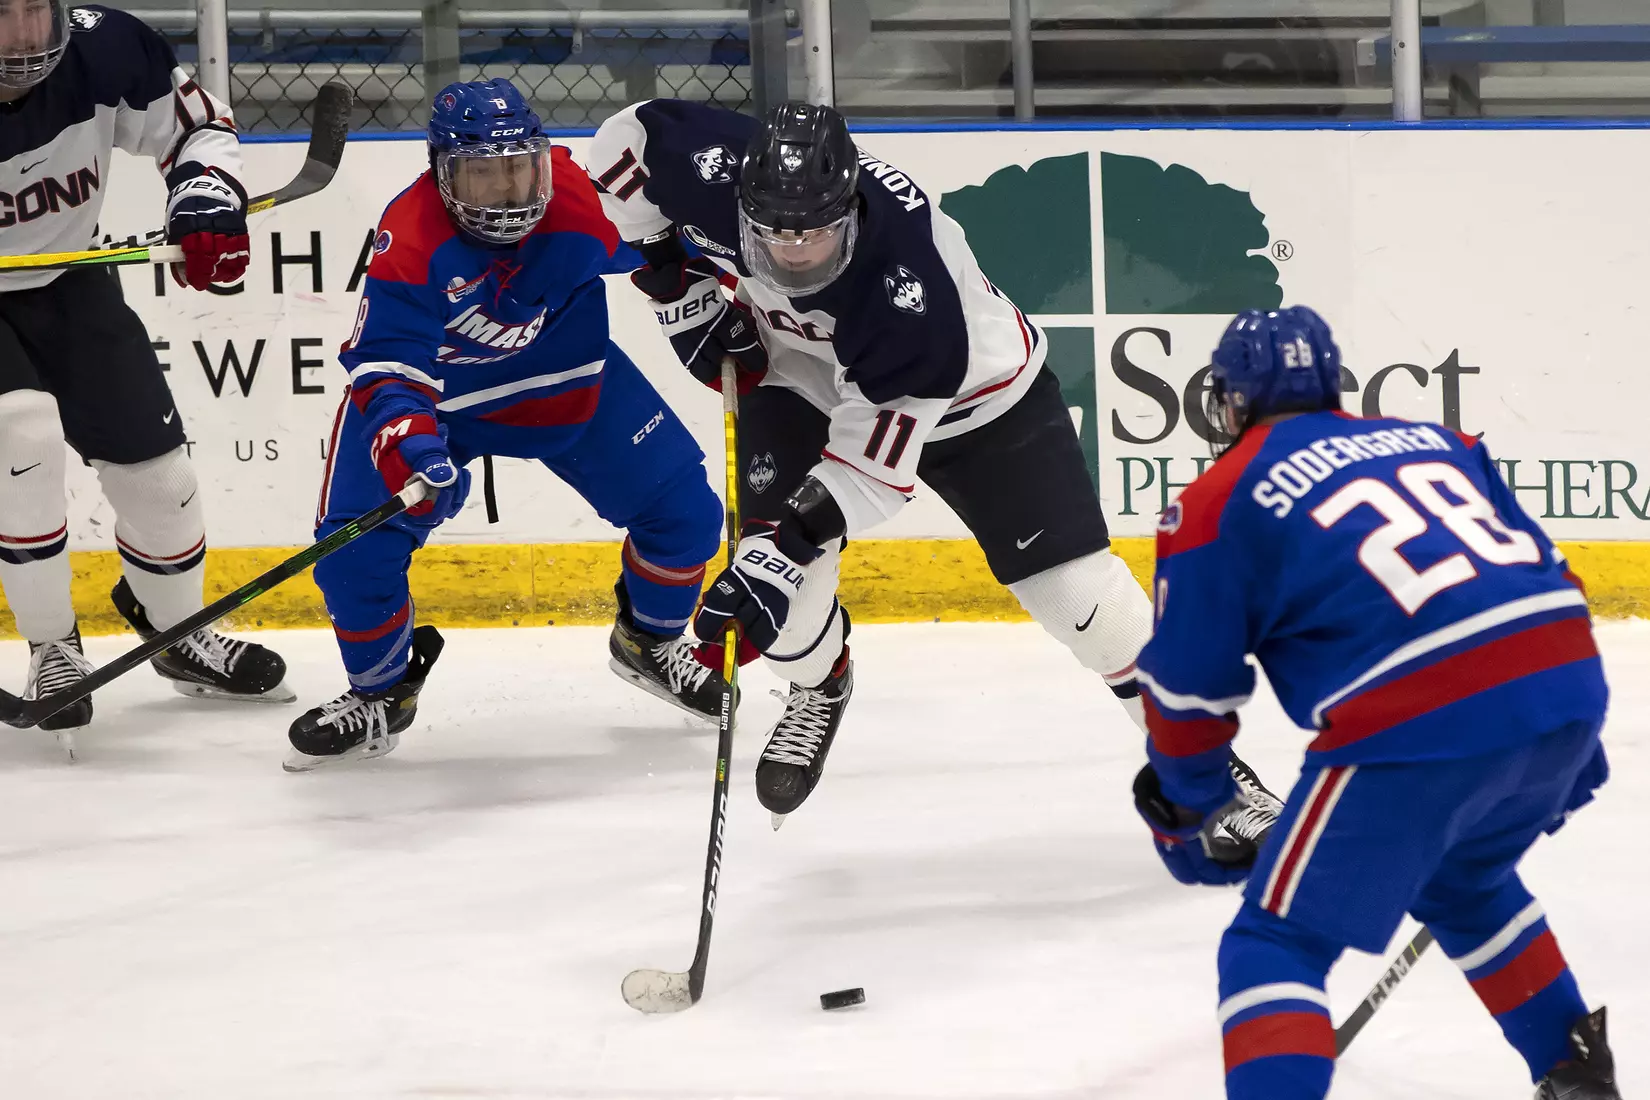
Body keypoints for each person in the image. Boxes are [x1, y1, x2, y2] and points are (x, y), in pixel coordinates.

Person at [585, 99, 1278, 827]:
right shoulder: (705, 160)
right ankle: (822, 685)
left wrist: (779, 554)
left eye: (814, 238)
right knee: (786, 625)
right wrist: (673, 285)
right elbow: (617, 146)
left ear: (849, 206)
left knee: (1082, 601)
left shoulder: (910, 282)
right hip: (799, 382)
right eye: (773, 236)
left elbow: (871, 469)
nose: (791, 255)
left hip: (978, 402)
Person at [1132, 306, 1618, 1100]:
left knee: (1272, 945)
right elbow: (1554, 583)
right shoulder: (1445, 444)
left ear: (1234, 400)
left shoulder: (1218, 497)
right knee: (1465, 884)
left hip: (1420, 720)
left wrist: (1191, 806)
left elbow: (1188, 693)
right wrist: (1562, 739)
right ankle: (1579, 1082)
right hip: (1564, 689)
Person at [286, 79, 724, 771]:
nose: (507, 191)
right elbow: (386, 362)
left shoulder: (580, 204)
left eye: (518, 168)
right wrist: (413, 451)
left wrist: (731, 265)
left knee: (688, 514)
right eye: (483, 173)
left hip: (562, 380)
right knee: (352, 552)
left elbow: (667, 242)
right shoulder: (413, 238)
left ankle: (651, 643)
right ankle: (380, 692)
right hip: (441, 403)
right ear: (441, 172)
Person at [0, 0, 290, 751]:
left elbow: (196, 127)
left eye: (36, 12)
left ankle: (176, 631)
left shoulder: (108, 47)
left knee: (159, 480)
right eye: (3, 16)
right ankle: (52, 648)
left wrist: (202, 197)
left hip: (71, 274)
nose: (25, 39)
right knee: (20, 438)